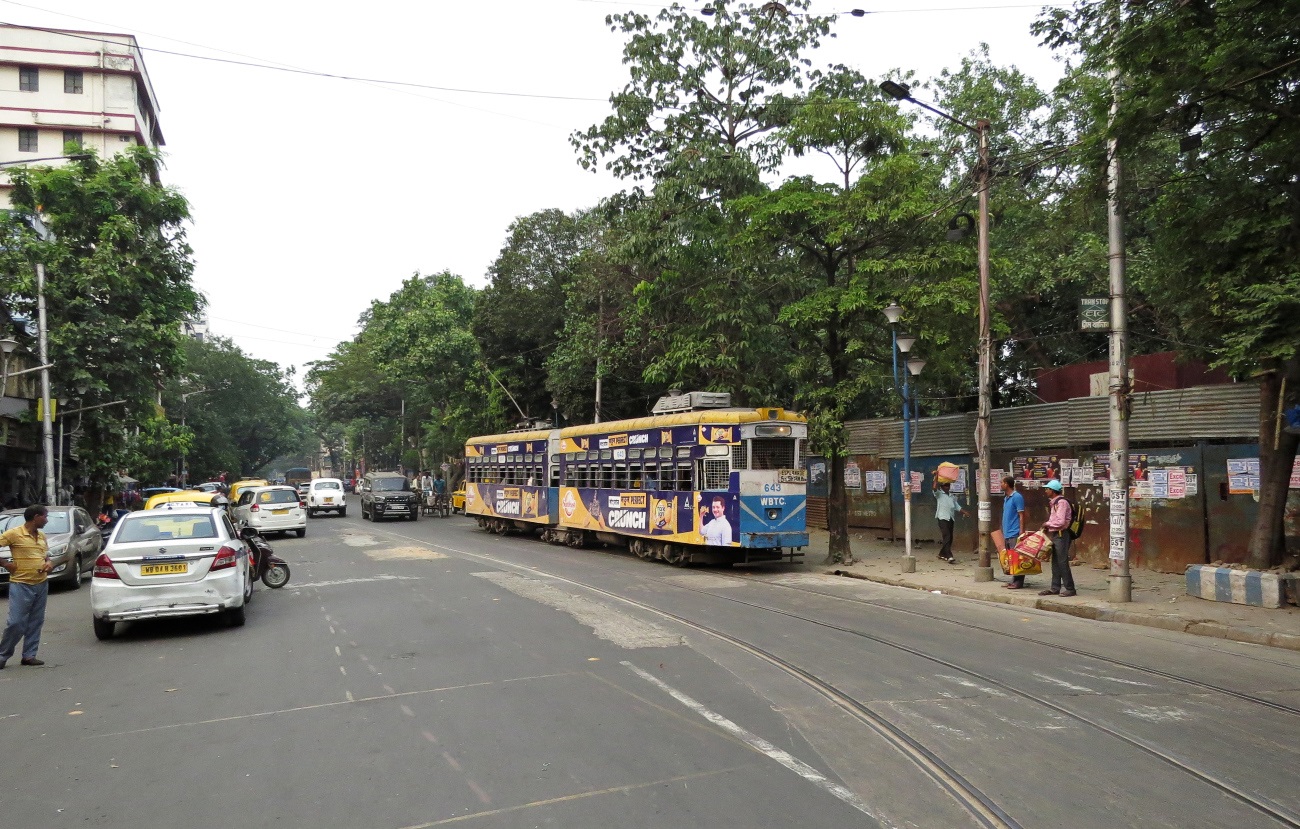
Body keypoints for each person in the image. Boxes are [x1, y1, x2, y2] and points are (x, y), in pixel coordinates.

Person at [0, 505, 53, 668]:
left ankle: (29, 655)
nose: (46, 520)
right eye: (45, 516)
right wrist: (6, 564)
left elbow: (46, 556)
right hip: (21, 584)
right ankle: (2, 655)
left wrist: (49, 563)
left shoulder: (42, 536)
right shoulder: (14, 534)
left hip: (41, 583)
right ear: (36, 517)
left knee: (36, 621)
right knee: (16, 622)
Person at [1039, 479, 1077, 597]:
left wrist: (1047, 524)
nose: (1046, 491)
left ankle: (1070, 588)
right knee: (1055, 562)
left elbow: (1060, 522)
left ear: (1053, 491)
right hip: (1056, 534)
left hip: (1062, 534)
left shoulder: (1061, 503)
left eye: (1047, 489)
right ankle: (1055, 587)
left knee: (1062, 561)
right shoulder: (1055, 503)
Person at [1001, 476, 1028, 589]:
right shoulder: (1006, 498)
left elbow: (1021, 515)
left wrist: (1021, 531)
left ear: (1007, 484)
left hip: (1015, 532)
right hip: (1007, 532)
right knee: (1011, 558)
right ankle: (1014, 580)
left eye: (1002, 482)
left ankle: (1019, 582)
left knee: (1017, 558)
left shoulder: (1017, 497)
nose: (1001, 484)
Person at [934, 479, 968, 563]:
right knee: (947, 536)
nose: (947, 487)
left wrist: (965, 512)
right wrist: (936, 477)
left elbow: (957, 506)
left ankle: (942, 554)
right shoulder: (939, 494)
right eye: (945, 485)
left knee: (950, 538)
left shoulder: (952, 496)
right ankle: (949, 556)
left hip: (951, 518)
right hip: (942, 518)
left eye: (948, 485)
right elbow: (934, 487)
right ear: (942, 487)